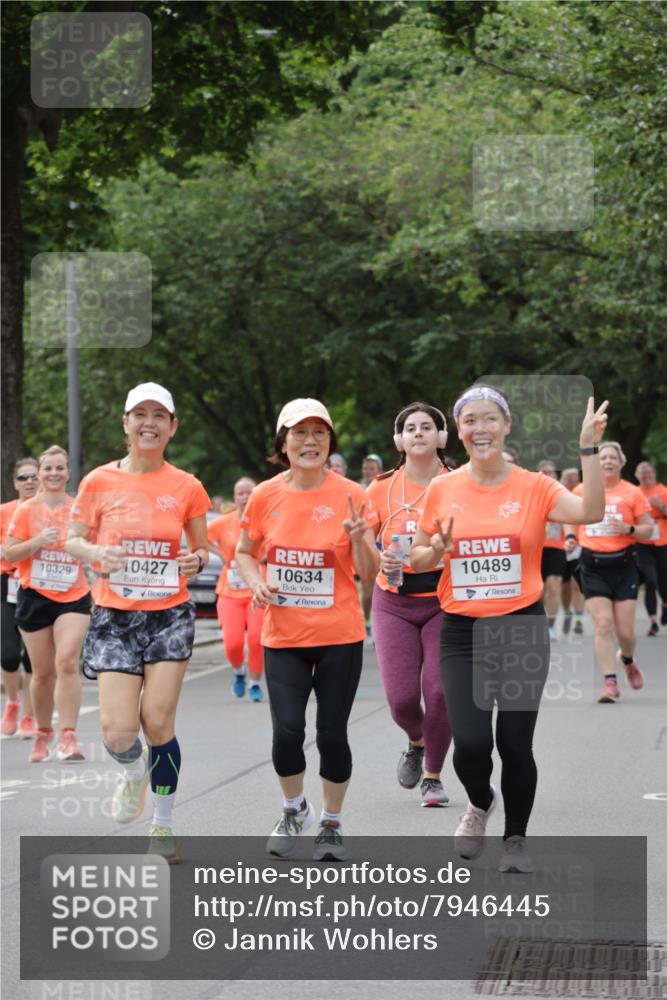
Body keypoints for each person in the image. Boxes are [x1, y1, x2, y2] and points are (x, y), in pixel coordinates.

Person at [411, 385, 608, 872]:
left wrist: (587, 450)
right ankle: (480, 802)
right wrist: (435, 549)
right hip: (461, 630)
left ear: (506, 425)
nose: (481, 429)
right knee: (472, 744)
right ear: (458, 432)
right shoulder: (443, 487)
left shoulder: (534, 486)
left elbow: (590, 513)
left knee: (515, 743)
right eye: (470, 421)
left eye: (489, 419)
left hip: (520, 625)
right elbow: (417, 557)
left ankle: (515, 840)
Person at [65, 383, 210, 863]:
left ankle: (163, 826)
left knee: (157, 721)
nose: (149, 423)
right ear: (126, 423)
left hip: (169, 614)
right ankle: (132, 772)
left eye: (159, 415)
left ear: (173, 426)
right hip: (114, 615)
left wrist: (195, 559)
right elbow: (73, 539)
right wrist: (95, 552)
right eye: (140, 414)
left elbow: (202, 547)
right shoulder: (99, 481)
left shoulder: (186, 485)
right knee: (118, 732)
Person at [235, 398, 379, 862]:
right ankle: (294, 808)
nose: (310, 441)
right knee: (288, 732)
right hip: (284, 636)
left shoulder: (354, 494)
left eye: (319, 433)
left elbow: (369, 573)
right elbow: (243, 551)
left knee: (332, 733)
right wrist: (256, 582)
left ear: (330, 441)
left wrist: (359, 540)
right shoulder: (264, 496)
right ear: (283, 442)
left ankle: (332, 823)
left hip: (339, 633)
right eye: (299, 433)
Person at [366, 403, 452, 808]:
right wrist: (375, 554)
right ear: (400, 440)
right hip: (393, 601)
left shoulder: (459, 483)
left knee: (439, 693)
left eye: (427, 426)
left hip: (445, 601)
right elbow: (362, 543)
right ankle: (416, 741)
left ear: (441, 437)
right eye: (410, 428)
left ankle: (433, 776)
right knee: (402, 700)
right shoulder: (380, 488)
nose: (419, 432)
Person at [4, 446, 91, 763]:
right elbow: (8, 554)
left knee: (67, 661)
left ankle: (69, 736)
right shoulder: (26, 510)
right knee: (41, 673)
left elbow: (92, 547)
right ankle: (43, 732)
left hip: (74, 595)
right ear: (39, 474)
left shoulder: (79, 509)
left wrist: (85, 549)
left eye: (60, 468)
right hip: (34, 596)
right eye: (48, 469)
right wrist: (37, 542)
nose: (54, 474)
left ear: (68, 472)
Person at [566, 442, 653, 703]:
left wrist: (627, 528)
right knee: (603, 625)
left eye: (612, 457)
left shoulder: (633, 493)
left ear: (621, 462)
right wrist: (571, 536)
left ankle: (627, 659)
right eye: (602, 457)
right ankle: (610, 683)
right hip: (592, 565)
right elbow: (571, 516)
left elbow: (648, 530)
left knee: (625, 632)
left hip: (624, 564)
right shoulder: (583, 490)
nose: (606, 461)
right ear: (597, 462)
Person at [208, 477, 265, 701]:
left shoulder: (264, 520)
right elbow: (200, 535)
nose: (244, 497)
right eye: (240, 493)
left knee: (256, 639)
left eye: (249, 492)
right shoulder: (223, 522)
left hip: (257, 590)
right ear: (235, 497)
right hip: (229, 590)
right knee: (232, 643)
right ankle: (239, 672)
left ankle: (254, 684)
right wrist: (220, 554)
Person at [1, 458, 38, 738]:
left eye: (34, 477)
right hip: (7, 583)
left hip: (39, 585)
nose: (29, 482)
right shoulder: (4, 512)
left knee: (33, 660)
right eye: (23, 477)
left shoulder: (48, 512)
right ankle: (13, 702)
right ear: (15, 483)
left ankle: (30, 715)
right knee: (9, 655)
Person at [634, 461, 667, 635]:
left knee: (664, 582)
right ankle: (653, 621)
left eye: (649, 473)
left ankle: (665, 604)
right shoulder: (635, 493)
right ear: (637, 476)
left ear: (654, 474)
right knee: (651, 580)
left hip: (663, 542)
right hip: (642, 544)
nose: (646, 476)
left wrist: (660, 506)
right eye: (643, 474)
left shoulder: (664, 491)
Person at [537, 460, 566, 641]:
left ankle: (551, 626)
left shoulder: (562, 495)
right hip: (535, 549)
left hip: (557, 548)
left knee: (554, 587)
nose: (548, 475)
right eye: (544, 472)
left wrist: (572, 539)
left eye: (551, 472)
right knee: (537, 591)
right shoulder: (530, 494)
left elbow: (572, 521)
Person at [559, 468, 585, 635]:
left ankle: (579, 620)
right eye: (569, 478)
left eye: (575, 478)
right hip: (558, 547)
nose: (572, 481)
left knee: (577, 585)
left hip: (578, 545)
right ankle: (567, 612)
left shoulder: (582, 494)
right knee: (564, 586)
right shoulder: (557, 494)